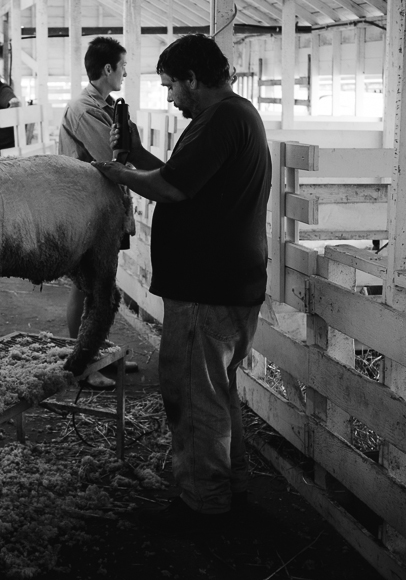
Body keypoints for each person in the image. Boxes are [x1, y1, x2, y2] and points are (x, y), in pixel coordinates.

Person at [92, 34, 271, 532]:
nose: (170, 97)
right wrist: (138, 155)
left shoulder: (222, 119)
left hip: (206, 286)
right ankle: (229, 487)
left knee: (192, 396)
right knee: (216, 392)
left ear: (193, 79)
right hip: (226, 281)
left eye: (172, 85)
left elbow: (170, 188)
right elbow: (180, 177)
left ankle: (202, 505)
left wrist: (114, 172)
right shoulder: (232, 117)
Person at [58, 36, 140, 388]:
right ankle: (83, 365)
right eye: (122, 67)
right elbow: (115, 155)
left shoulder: (104, 104)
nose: (125, 73)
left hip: (102, 209)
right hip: (87, 211)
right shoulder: (85, 110)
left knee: (99, 285)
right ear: (107, 69)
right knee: (87, 286)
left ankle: (96, 352)